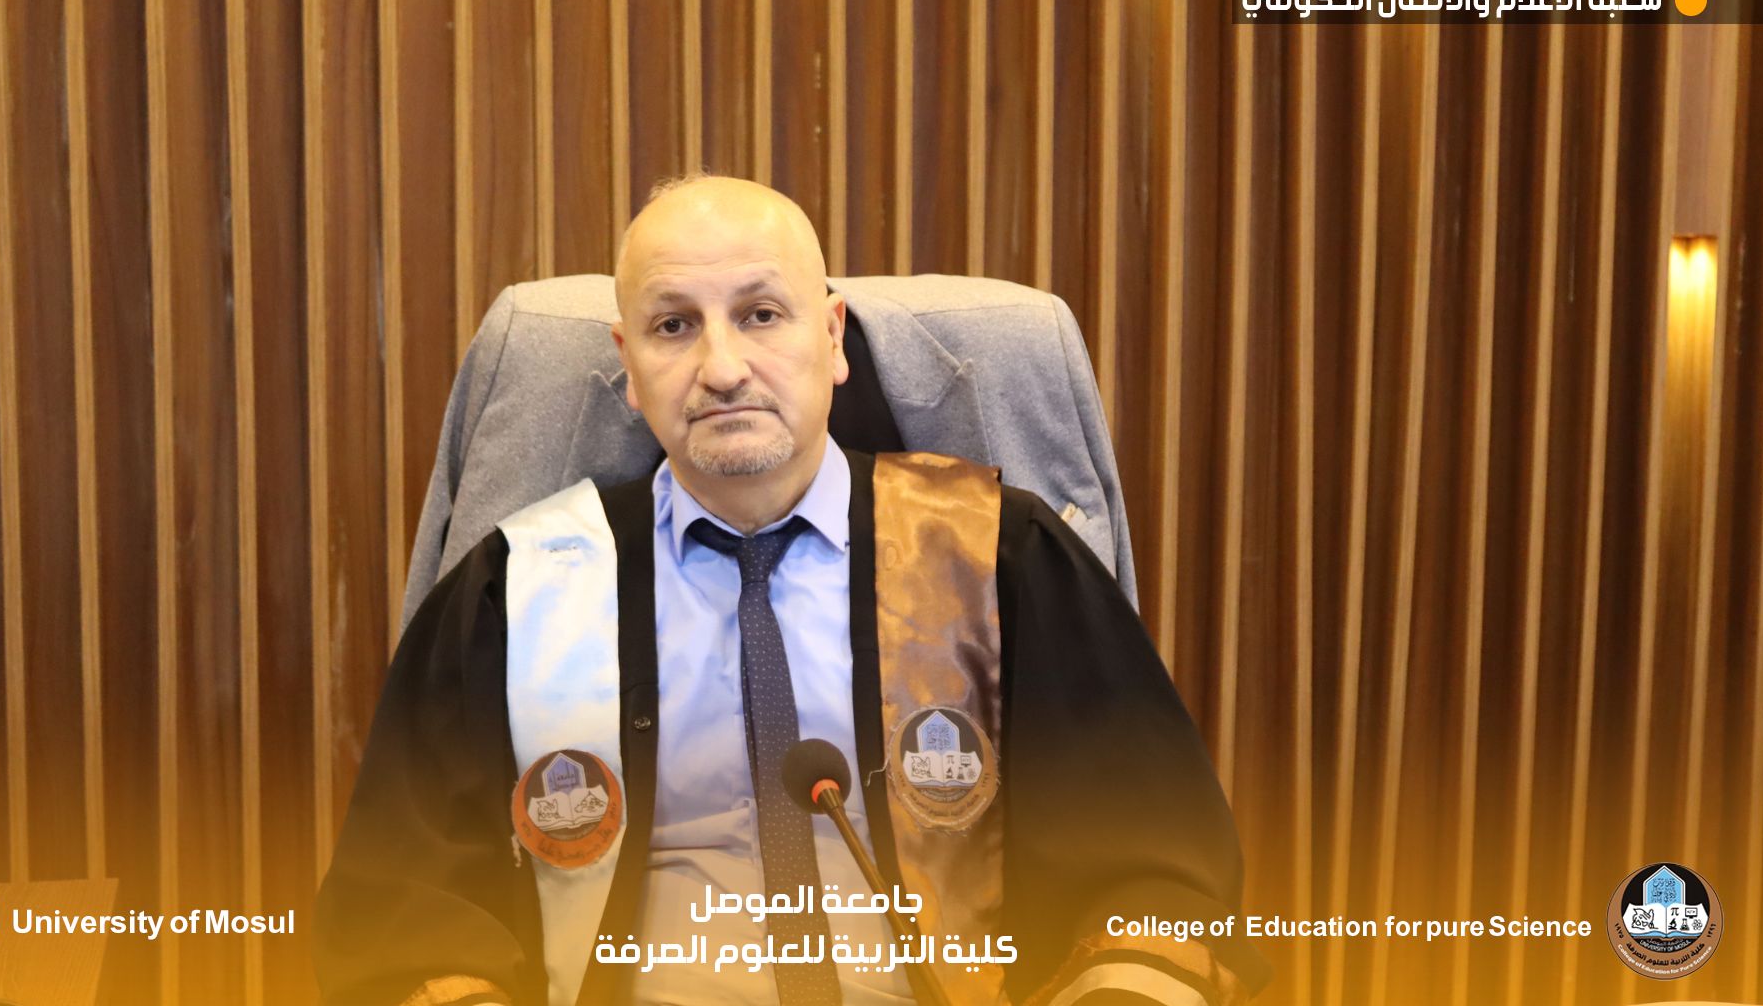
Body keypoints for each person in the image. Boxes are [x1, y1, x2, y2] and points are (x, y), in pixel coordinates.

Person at [314, 177, 1266, 1006]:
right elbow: (409, 907)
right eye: (673, 326)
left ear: (834, 336)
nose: (722, 368)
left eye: (761, 315)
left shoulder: (998, 558)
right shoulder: (517, 586)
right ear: (629, 367)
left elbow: (1152, 872)